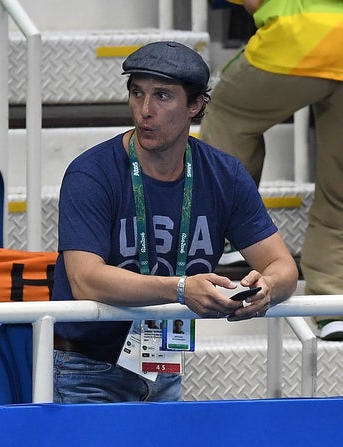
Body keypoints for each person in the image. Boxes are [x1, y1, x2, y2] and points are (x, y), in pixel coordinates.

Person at [52, 41, 299, 403]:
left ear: (195, 105)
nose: (145, 111)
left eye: (163, 96)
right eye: (137, 93)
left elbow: (283, 266)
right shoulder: (91, 174)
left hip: (163, 365)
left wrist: (267, 288)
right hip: (84, 369)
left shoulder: (224, 174)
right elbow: (85, 280)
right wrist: (180, 288)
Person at [199, 0, 343, 340]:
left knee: (227, 113)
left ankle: (232, 236)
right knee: (338, 192)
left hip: (298, 38)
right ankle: (332, 304)